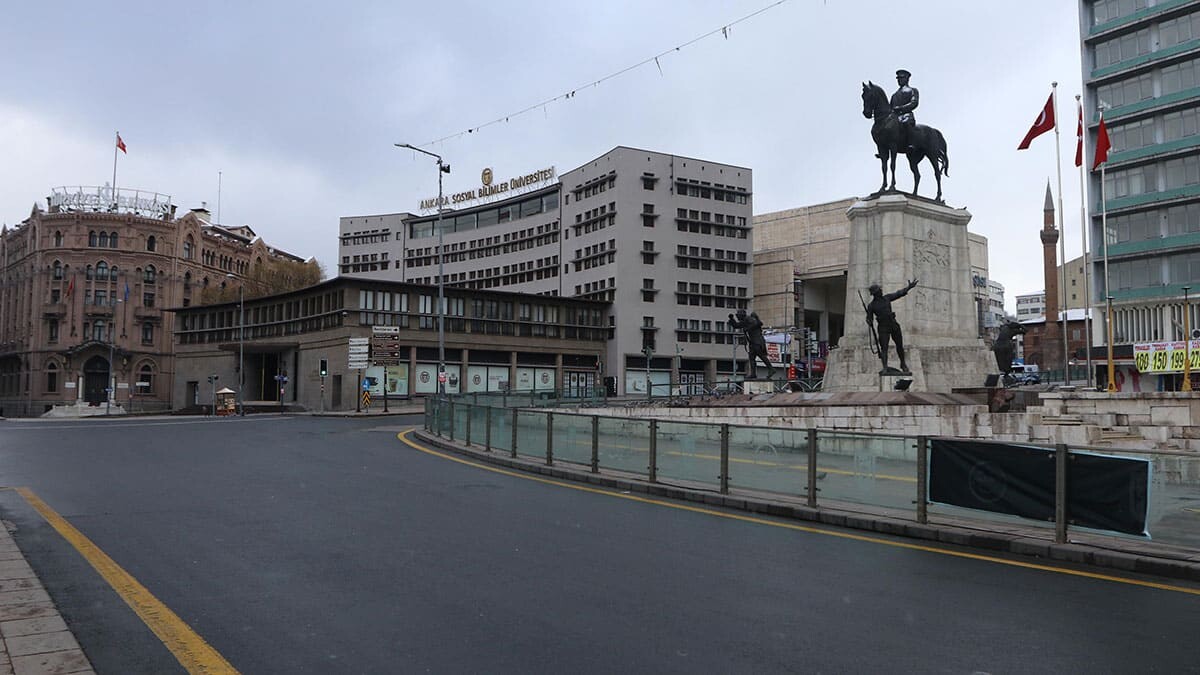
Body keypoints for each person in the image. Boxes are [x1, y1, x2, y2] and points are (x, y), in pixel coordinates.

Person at [866, 279, 918, 374]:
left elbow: (898, 294)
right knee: (884, 348)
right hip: (883, 327)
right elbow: (869, 318)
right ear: (875, 293)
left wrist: (908, 288)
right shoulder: (871, 306)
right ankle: (885, 367)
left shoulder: (887, 298)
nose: (881, 291)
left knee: (899, 346)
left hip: (893, 324)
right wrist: (869, 321)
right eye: (879, 290)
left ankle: (903, 364)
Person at [728, 309, 775, 379]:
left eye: (738, 316)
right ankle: (753, 374)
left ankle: (771, 369)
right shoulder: (744, 321)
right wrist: (732, 319)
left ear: (742, 315)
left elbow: (758, 324)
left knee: (761, 356)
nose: (737, 317)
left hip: (757, 341)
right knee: (751, 358)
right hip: (752, 342)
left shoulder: (749, 318)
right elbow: (736, 326)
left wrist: (748, 328)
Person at [891, 69, 919, 153]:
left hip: (907, 115)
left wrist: (901, 108)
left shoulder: (913, 90)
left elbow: (914, 103)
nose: (899, 80)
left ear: (907, 78)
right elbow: (890, 108)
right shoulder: (894, 95)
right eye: (898, 78)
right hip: (896, 118)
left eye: (901, 78)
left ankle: (911, 143)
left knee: (906, 123)